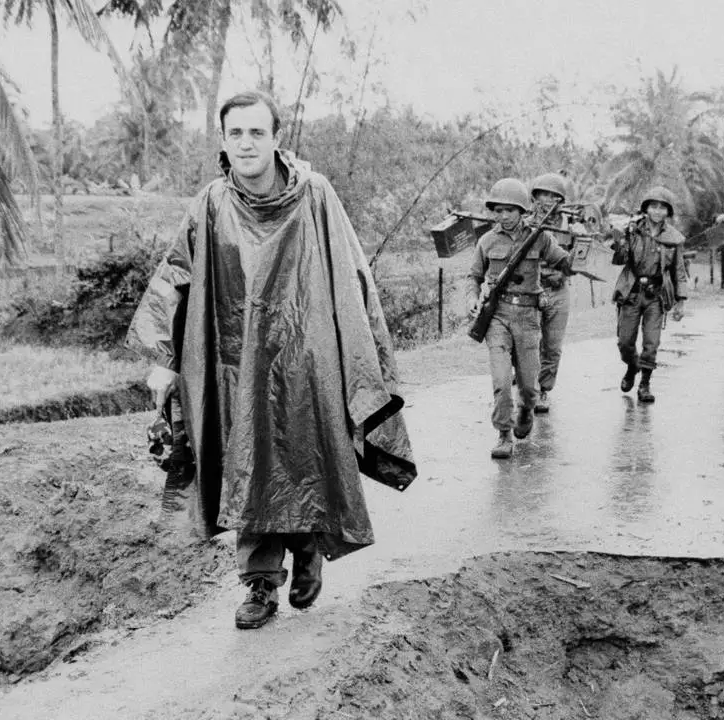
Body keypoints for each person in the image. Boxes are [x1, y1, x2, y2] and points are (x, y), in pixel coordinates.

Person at [127, 91, 416, 630]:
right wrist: (165, 359)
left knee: (302, 457)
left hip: (308, 360)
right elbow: (175, 279)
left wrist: (361, 354)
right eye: (236, 133)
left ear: (276, 137)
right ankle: (259, 583)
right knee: (246, 463)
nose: (246, 143)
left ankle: (307, 549)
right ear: (222, 139)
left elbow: (351, 276)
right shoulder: (210, 204)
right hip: (234, 360)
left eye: (257, 132)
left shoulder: (316, 195)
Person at [468, 178, 571, 459]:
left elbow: (565, 261)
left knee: (527, 384)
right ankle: (503, 434)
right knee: (501, 380)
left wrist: (573, 258)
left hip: (528, 317)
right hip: (497, 316)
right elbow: (474, 277)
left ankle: (526, 409)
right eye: (498, 210)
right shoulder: (487, 241)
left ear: (522, 211)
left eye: (510, 211)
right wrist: (473, 298)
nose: (503, 216)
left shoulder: (540, 237)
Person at [611, 186, 689, 403]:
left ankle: (645, 383)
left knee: (651, 343)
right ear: (646, 209)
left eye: (662, 208)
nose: (657, 211)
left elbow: (679, 271)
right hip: (632, 292)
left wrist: (681, 301)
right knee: (625, 342)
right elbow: (619, 260)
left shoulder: (674, 238)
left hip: (656, 295)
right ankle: (631, 366)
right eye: (653, 206)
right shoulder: (632, 230)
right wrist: (620, 238)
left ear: (667, 212)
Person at [529, 172, 573, 415]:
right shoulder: (523, 223)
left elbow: (579, 261)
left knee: (553, 346)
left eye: (553, 196)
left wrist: (567, 270)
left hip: (558, 290)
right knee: (529, 342)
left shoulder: (571, 226)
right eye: (542, 194)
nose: (547, 200)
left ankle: (543, 388)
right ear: (534, 198)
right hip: (530, 290)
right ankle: (530, 385)